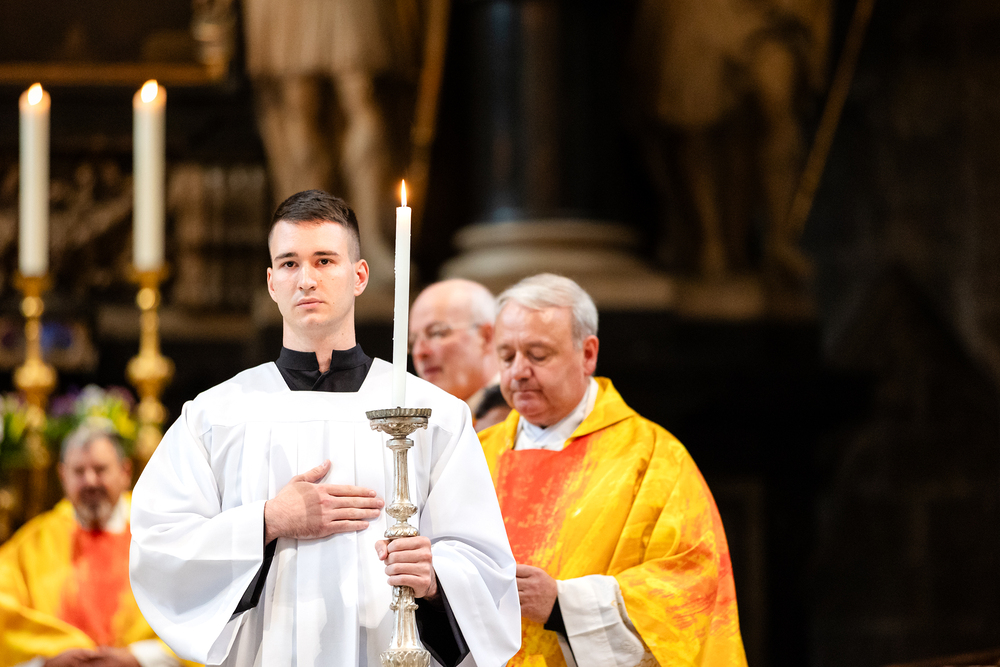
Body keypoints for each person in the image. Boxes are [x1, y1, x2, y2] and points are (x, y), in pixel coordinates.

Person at [128, 190, 520, 667]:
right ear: (271, 283)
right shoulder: (215, 416)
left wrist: (436, 578)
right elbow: (159, 545)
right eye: (289, 264)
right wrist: (268, 521)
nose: (306, 279)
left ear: (360, 276)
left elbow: (485, 564)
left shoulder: (433, 414)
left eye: (325, 261)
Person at [479, 273, 747, 667]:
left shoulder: (653, 458)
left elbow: (691, 584)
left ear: (588, 354)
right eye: (506, 357)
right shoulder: (474, 453)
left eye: (537, 355)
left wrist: (563, 605)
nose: (518, 371)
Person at [0, 422, 192, 667]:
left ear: (125, 472)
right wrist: (45, 661)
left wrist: (138, 658)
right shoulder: (33, 543)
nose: (90, 481)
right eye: (79, 471)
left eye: (100, 470)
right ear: (63, 476)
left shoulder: (163, 533)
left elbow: (199, 616)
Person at [408, 279, 503, 422]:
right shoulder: (427, 421)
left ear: (485, 336)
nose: (419, 352)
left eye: (437, 333)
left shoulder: (520, 415)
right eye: (412, 341)